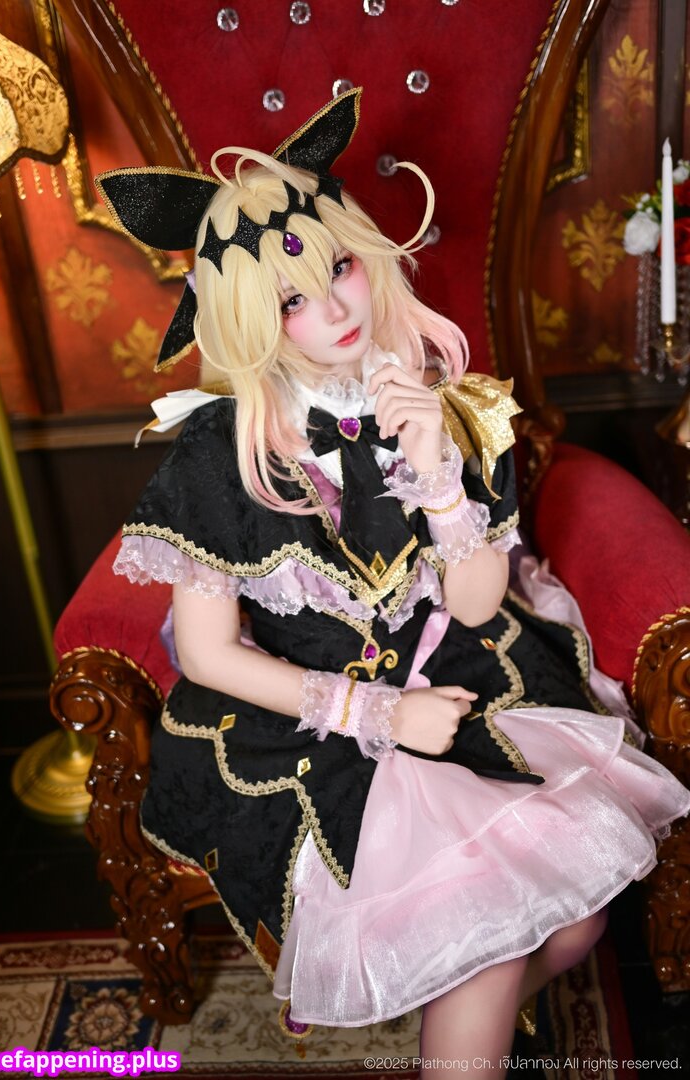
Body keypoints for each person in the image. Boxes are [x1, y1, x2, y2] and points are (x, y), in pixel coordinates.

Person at [100, 90, 690, 1077]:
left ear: (369, 256)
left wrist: (439, 475)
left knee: (579, 928)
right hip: (310, 719)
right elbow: (205, 654)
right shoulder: (218, 451)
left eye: (337, 269)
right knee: (493, 946)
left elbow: (476, 603)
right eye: (290, 300)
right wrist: (375, 715)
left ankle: (453, 1017)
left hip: (453, 668)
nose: (333, 310)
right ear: (249, 319)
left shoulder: (446, 403)